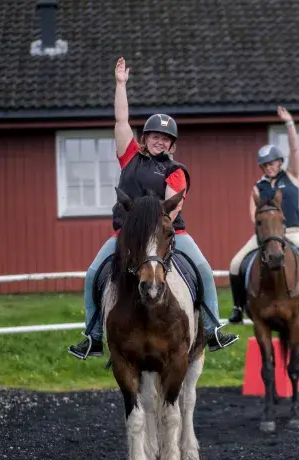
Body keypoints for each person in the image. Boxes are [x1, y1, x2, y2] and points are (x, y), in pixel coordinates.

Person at [68, 57, 239, 359]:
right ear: (144, 139)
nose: (160, 142)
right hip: (125, 235)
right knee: (94, 273)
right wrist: (121, 85)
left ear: (172, 144)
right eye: (155, 136)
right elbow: (122, 121)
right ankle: (93, 335)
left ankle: (212, 329)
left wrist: (155, 230)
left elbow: (172, 206)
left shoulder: (176, 170)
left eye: (166, 138)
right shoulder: (129, 157)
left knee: (203, 270)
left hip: (168, 233)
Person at [226, 106, 299, 325]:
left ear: (280, 162)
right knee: (235, 264)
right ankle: (238, 307)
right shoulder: (258, 187)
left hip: (294, 232)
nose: (269, 167)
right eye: (265, 164)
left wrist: (289, 124)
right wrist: (267, 234)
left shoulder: (293, 176)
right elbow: (253, 214)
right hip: (267, 235)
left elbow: (295, 150)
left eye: (272, 163)